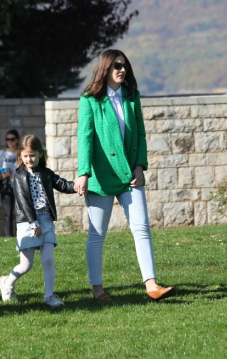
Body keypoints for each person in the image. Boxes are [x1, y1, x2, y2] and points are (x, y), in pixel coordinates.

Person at [74, 49, 174, 302]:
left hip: (131, 175)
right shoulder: (89, 100)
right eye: (116, 65)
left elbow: (140, 133)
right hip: (100, 175)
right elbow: (84, 139)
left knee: (142, 228)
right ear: (104, 69)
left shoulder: (132, 96)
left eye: (124, 66)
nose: (121, 70)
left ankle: (151, 285)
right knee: (97, 235)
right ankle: (97, 289)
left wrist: (140, 166)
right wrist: (83, 173)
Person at [0, 134, 75, 307]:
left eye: (32, 155)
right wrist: (34, 223)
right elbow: (23, 202)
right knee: (26, 265)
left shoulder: (46, 173)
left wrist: (78, 185)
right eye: (25, 156)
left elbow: (62, 184)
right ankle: (7, 282)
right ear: (20, 156)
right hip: (28, 222)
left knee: (48, 260)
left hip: (46, 219)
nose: (29, 159)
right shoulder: (18, 176)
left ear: (40, 154)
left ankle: (49, 297)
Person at [0, 129, 20, 237]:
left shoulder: (20, 153)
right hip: (6, 186)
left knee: (19, 213)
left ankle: (19, 235)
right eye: (7, 139)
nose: (10, 142)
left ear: (17, 140)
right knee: (8, 213)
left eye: (12, 139)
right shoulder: (2, 153)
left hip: (18, 186)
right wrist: (3, 174)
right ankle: (9, 237)